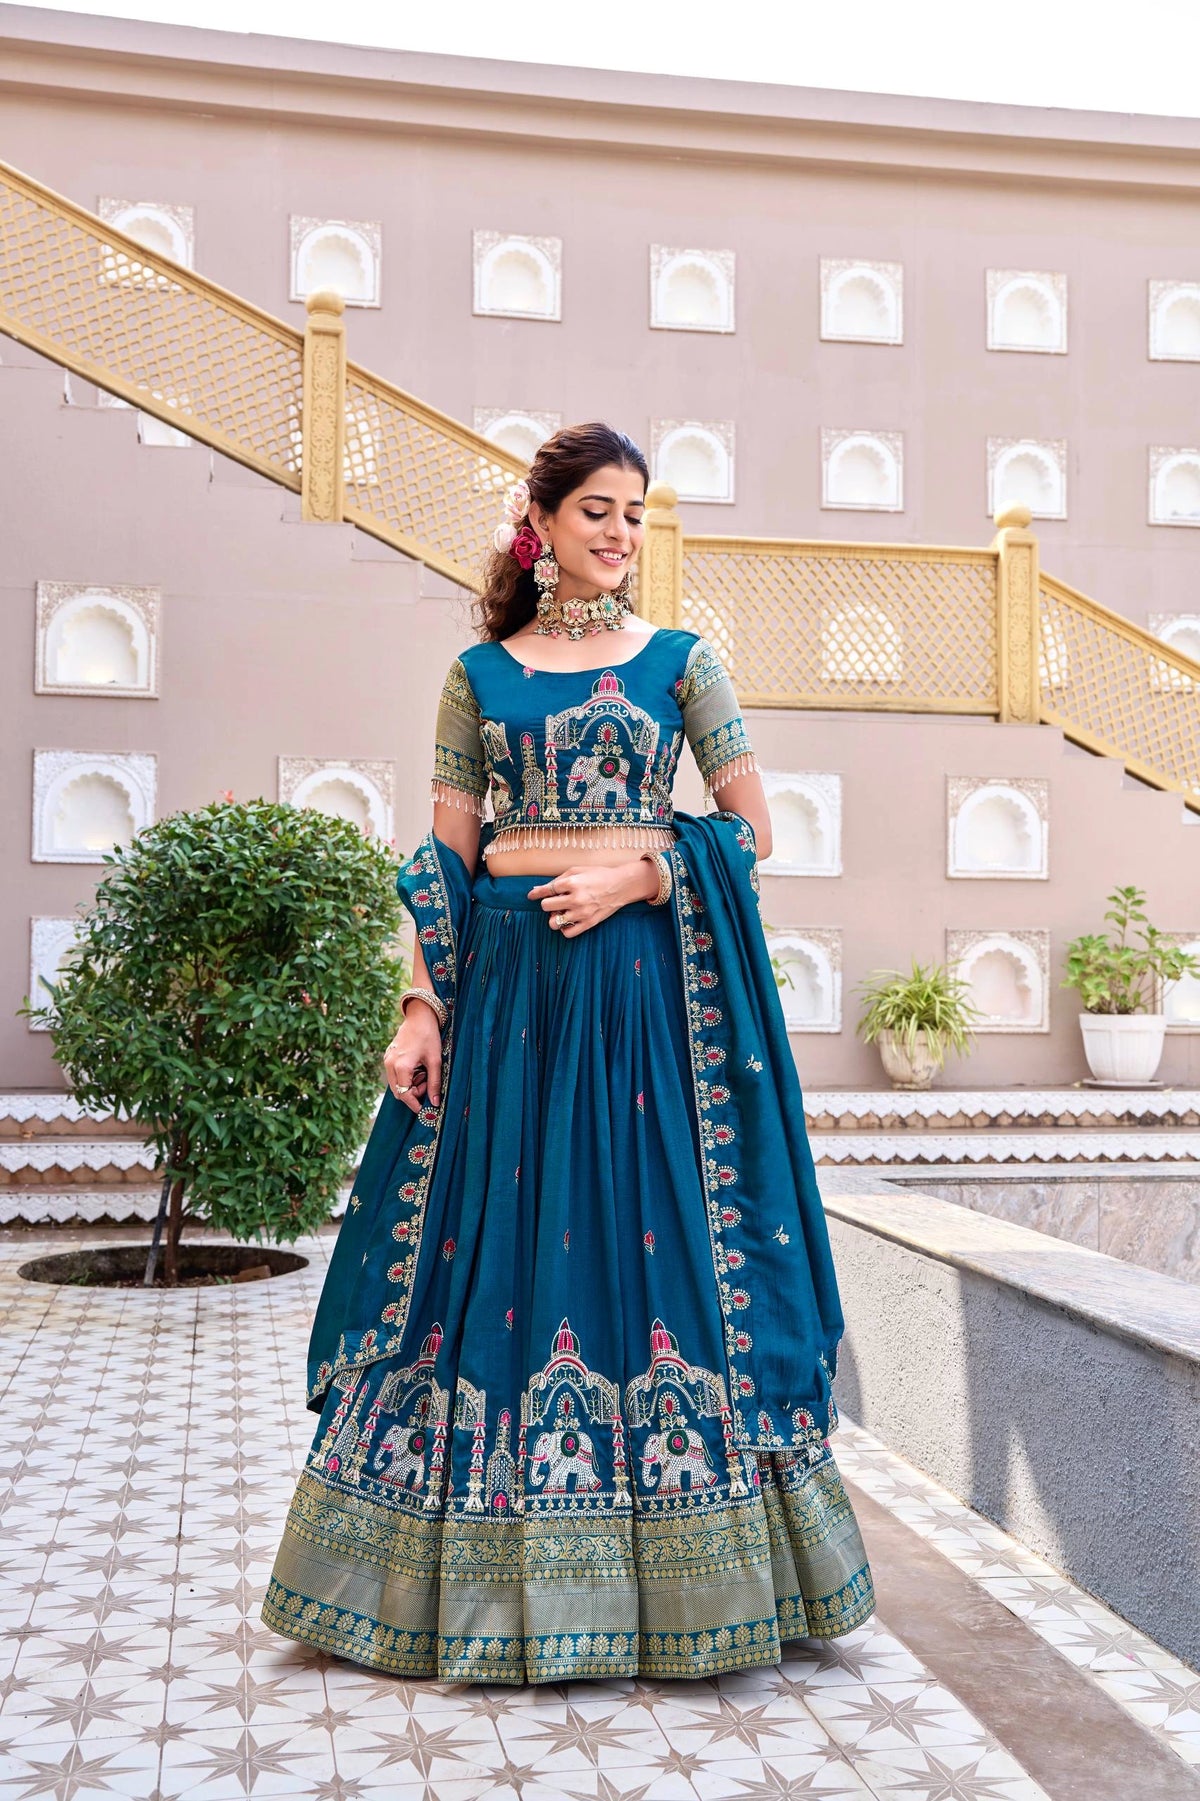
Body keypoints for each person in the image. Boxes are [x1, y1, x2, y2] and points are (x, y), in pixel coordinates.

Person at [262, 422, 876, 1684]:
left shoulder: (683, 665)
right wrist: (419, 1005)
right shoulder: (477, 676)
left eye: (636, 513)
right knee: (491, 1258)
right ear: (540, 522)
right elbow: (442, 856)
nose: (620, 533)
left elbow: (751, 831)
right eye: (597, 508)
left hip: (638, 997)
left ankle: (690, 1581)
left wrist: (638, 876)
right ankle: (466, 1581)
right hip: (506, 1004)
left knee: (647, 1247)